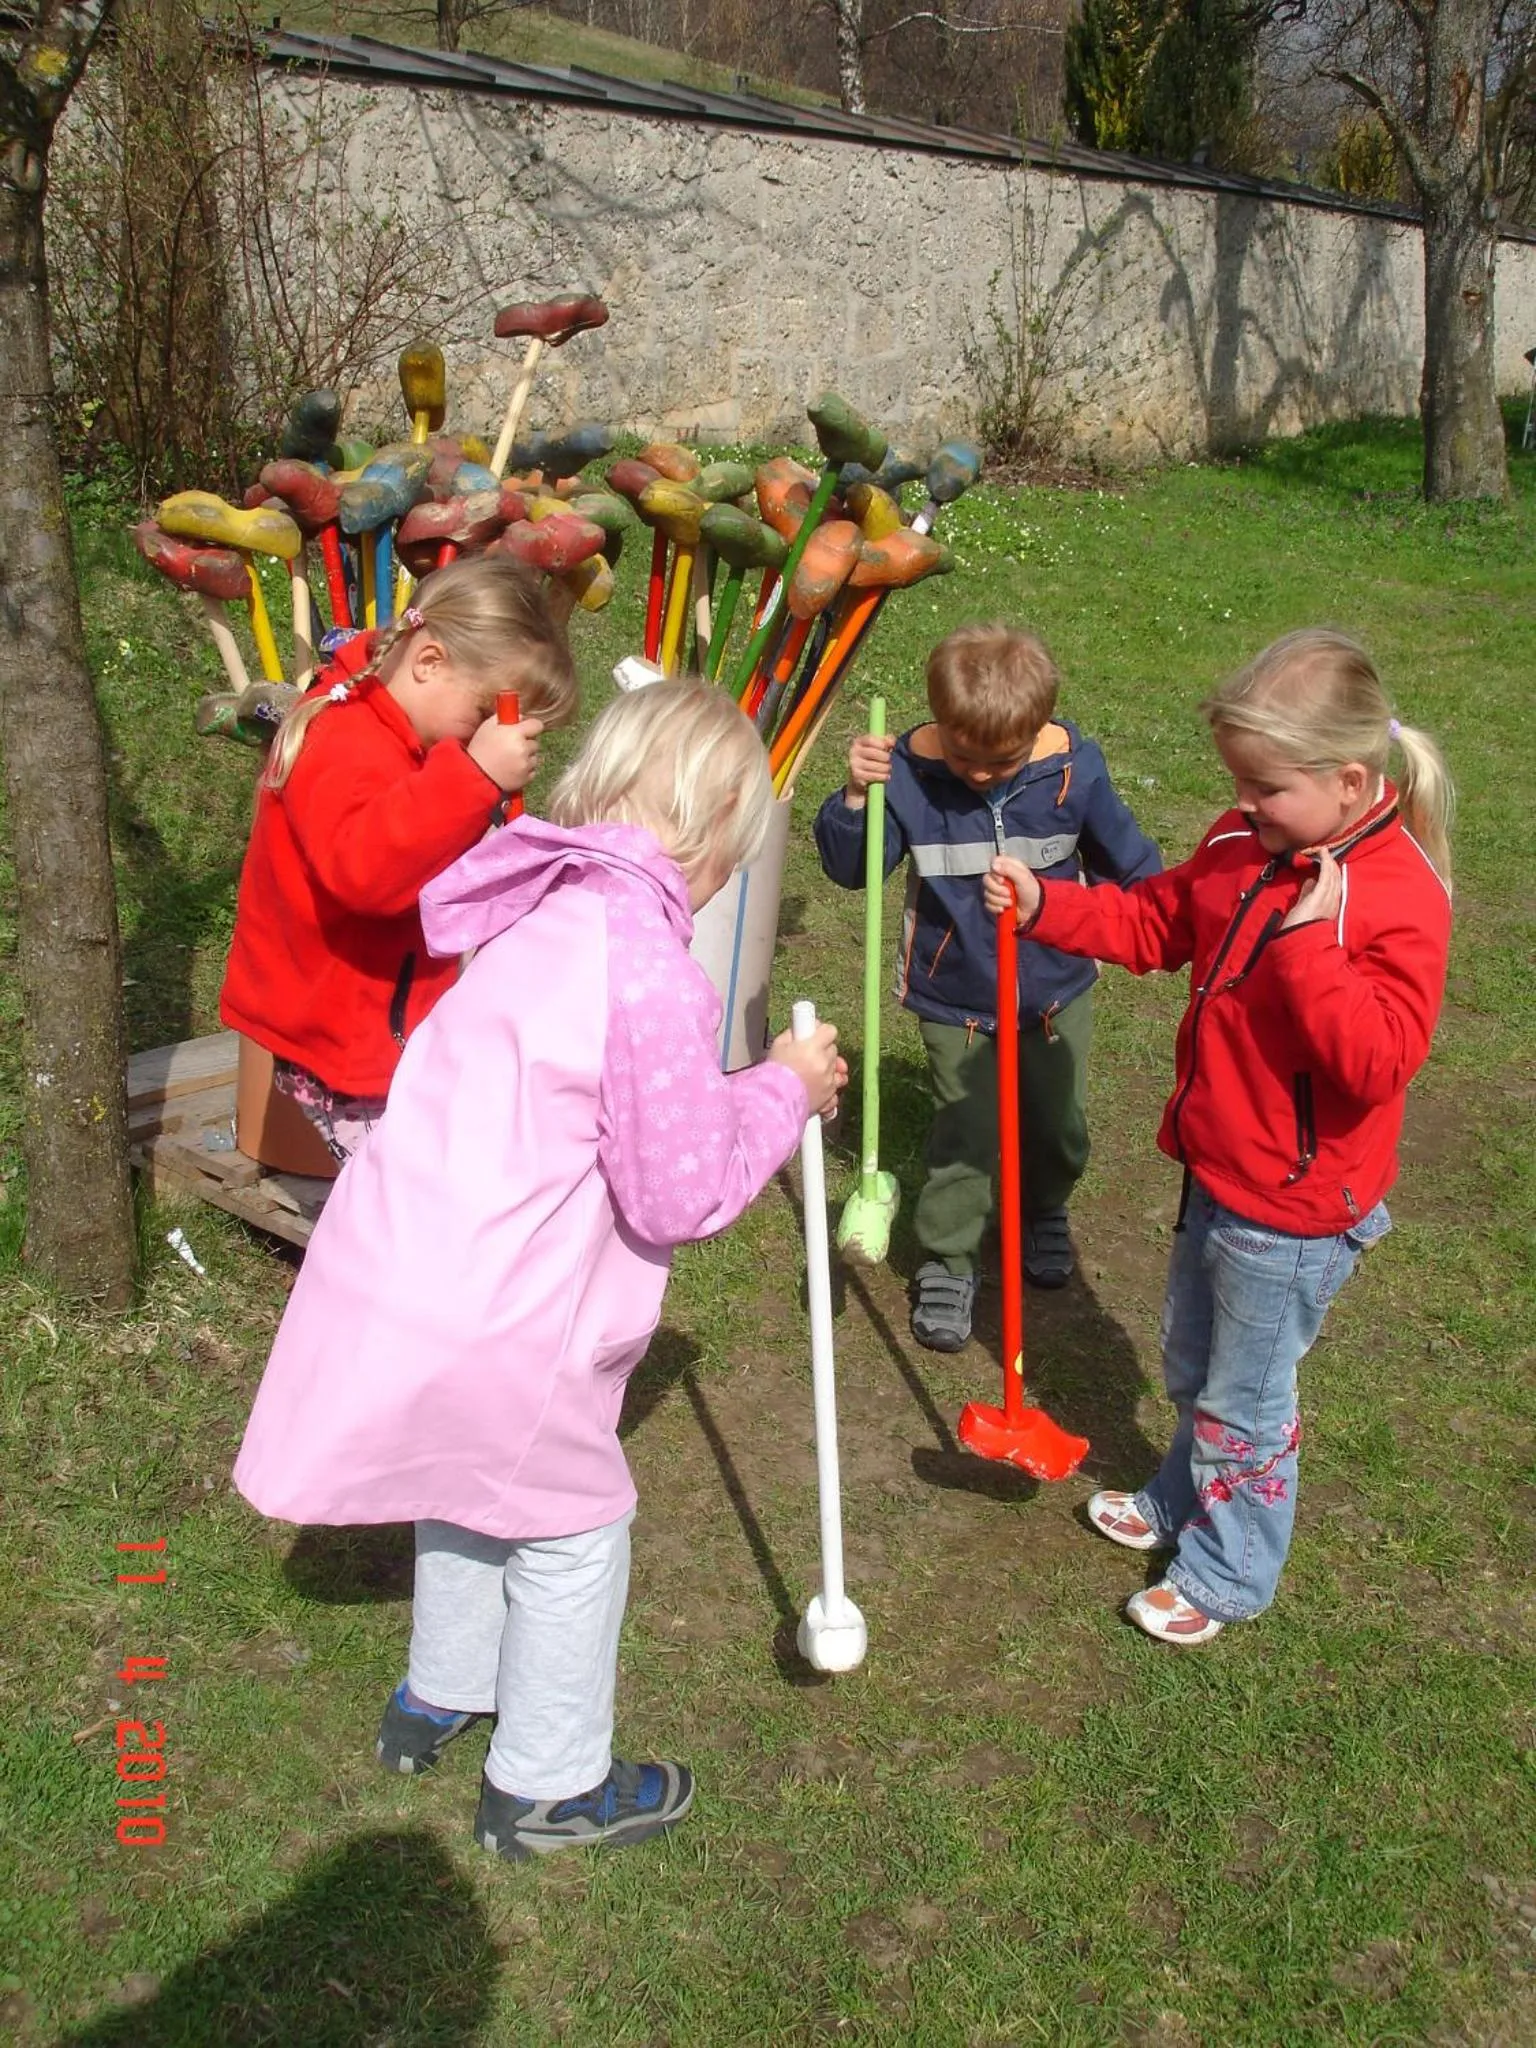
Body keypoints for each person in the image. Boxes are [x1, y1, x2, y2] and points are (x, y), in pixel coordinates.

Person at [233, 680, 846, 1860]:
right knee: (575, 1518)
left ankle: (440, 1689)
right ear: (716, 827)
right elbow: (683, 1187)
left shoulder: (535, 899)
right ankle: (551, 1783)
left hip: (408, 1262)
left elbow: (612, 1113)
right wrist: (783, 1086)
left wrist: (745, 1086)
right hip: (503, 1308)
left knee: (466, 1476)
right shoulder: (649, 964)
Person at [985, 628, 1454, 1645]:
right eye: (1238, 783)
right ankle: (1178, 1491)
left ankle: (1228, 1569)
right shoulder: (1249, 843)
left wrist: (1307, 956)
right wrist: (1049, 905)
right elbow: (1160, 921)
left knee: (1246, 1393)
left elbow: (1378, 1062)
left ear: (1348, 779)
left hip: (1296, 1207)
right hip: (1219, 1167)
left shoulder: (1399, 896)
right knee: (1194, 1358)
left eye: (1266, 787)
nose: (1243, 805)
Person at [814, 622, 1161, 1350]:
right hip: (956, 996)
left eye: (1000, 761)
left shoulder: (1074, 774)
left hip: (1055, 989)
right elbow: (853, 871)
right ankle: (949, 1255)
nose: (978, 774)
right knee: (966, 1134)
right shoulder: (907, 774)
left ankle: (1041, 1207)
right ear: (940, 724)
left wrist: (1173, 916)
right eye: (964, 755)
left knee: (1056, 1122)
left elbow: (1131, 862)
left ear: (1035, 733)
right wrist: (854, 799)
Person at [220, 554, 578, 1159]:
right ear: (429, 662)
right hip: (340, 1035)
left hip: (376, 1021)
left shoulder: (407, 731)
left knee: (407, 1187)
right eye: (485, 714)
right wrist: (472, 776)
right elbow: (370, 874)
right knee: (394, 1195)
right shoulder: (345, 741)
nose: (483, 735)